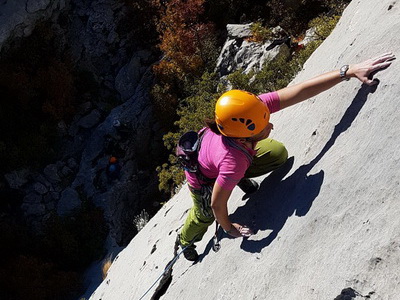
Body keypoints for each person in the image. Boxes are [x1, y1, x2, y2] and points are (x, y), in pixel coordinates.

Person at [177, 52, 395, 261]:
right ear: (245, 138)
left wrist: (347, 71)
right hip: (203, 177)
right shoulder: (233, 161)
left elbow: (300, 91)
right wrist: (228, 227)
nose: (270, 124)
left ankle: (238, 180)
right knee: (203, 215)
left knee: (277, 154)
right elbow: (217, 204)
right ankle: (185, 240)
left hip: (223, 160)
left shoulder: (248, 112)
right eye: (263, 127)